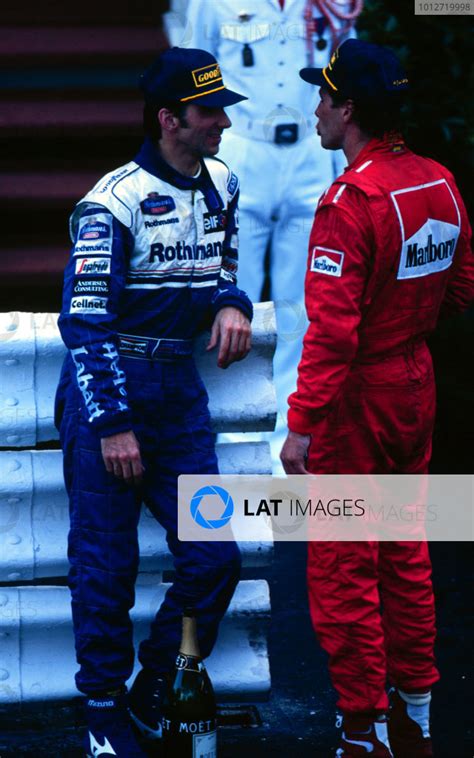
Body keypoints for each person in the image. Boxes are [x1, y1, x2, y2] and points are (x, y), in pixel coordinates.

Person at [54, 47, 253, 758]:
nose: (222, 123)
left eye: (223, 109)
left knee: (214, 558)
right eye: (208, 112)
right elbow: (83, 321)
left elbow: (223, 260)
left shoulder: (224, 180)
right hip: (112, 396)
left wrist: (232, 301)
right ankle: (103, 715)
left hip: (181, 398)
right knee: (106, 568)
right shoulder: (113, 203)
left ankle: (152, 688)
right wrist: (112, 423)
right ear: (170, 119)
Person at [280, 39, 474, 757]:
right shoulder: (440, 182)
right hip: (412, 384)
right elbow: (461, 288)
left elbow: (331, 335)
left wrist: (300, 425)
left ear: (349, 109)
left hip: (358, 399)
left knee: (342, 564)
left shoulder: (348, 201)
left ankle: (362, 734)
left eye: (324, 97)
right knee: (406, 549)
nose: (317, 110)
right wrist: (405, 328)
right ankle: (415, 716)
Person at [181, 0, 362, 472]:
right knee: (227, 293)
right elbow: (190, 70)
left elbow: (349, 72)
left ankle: (288, 433)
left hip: (308, 148)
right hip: (243, 148)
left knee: (302, 300)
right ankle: (228, 426)